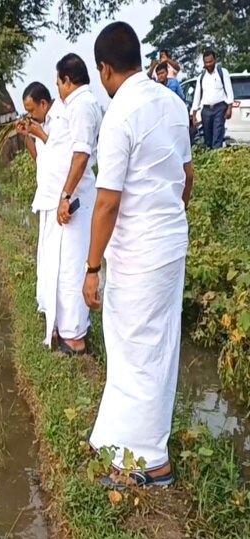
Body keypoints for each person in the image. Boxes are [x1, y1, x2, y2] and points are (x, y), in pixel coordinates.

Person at [84, 21, 194, 487]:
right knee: (157, 347)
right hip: (169, 244)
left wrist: (91, 268)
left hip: (140, 253)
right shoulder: (172, 102)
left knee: (134, 351)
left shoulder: (119, 115)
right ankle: (128, 443)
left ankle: (146, 462)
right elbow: (187, 178)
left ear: (105, 68)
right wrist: (165, 216)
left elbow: (107, 202)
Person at [44, 53, 103, 355]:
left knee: (72, 266)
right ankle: (68, 328)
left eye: (58, 83)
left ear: (68, 81)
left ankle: (75, 337)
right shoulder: (80, 104)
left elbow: (81, 155)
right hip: (74, 197)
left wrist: (65, 196)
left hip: (77, 199)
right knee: (65, 264)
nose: (58, 89)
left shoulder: (81, 106)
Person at [16, 82, 65, 335]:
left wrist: (40, 133)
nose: (30, 116)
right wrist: (28, 137)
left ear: (44, 104)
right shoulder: (43, 125)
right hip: (45, 200)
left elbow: (63, 157)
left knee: (59, 263)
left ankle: (62, 321)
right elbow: (41, 159)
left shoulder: (59, 121)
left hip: (60, 202)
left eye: (32, 110)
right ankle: (48, 309)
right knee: (45, 259)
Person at [191, 49, 234, 149]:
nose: (209, 64)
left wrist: (229, 108)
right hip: (206, 111)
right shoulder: (201, 77)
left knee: (217, 136)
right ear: (204, 63)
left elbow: (229, 91)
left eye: (211, 61)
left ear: (215, 60)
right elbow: (197, 97)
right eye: (206, 62)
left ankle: (217, 155)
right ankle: (211, 158)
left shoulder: (222, 72)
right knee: (208, 139)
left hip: (219, 109)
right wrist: (193, 115)